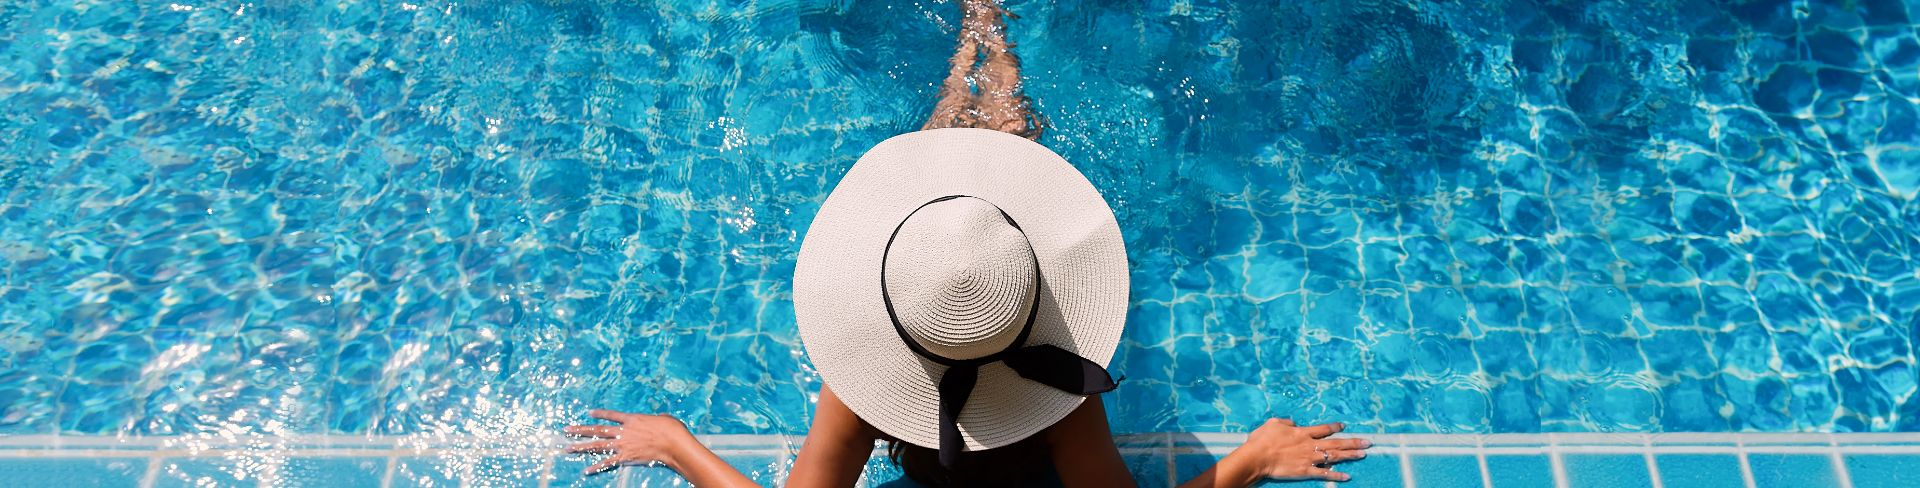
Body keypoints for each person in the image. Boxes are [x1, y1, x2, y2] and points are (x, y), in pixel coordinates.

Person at [561, 1, 1371, 486]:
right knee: (979, 209)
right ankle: (991, 37)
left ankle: (975, 39)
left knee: (945, 225)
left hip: (948, 346)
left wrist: (675, 443)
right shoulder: (1063, 386)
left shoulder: (859, 383)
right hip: (1019, 360)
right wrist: (1250, 461)